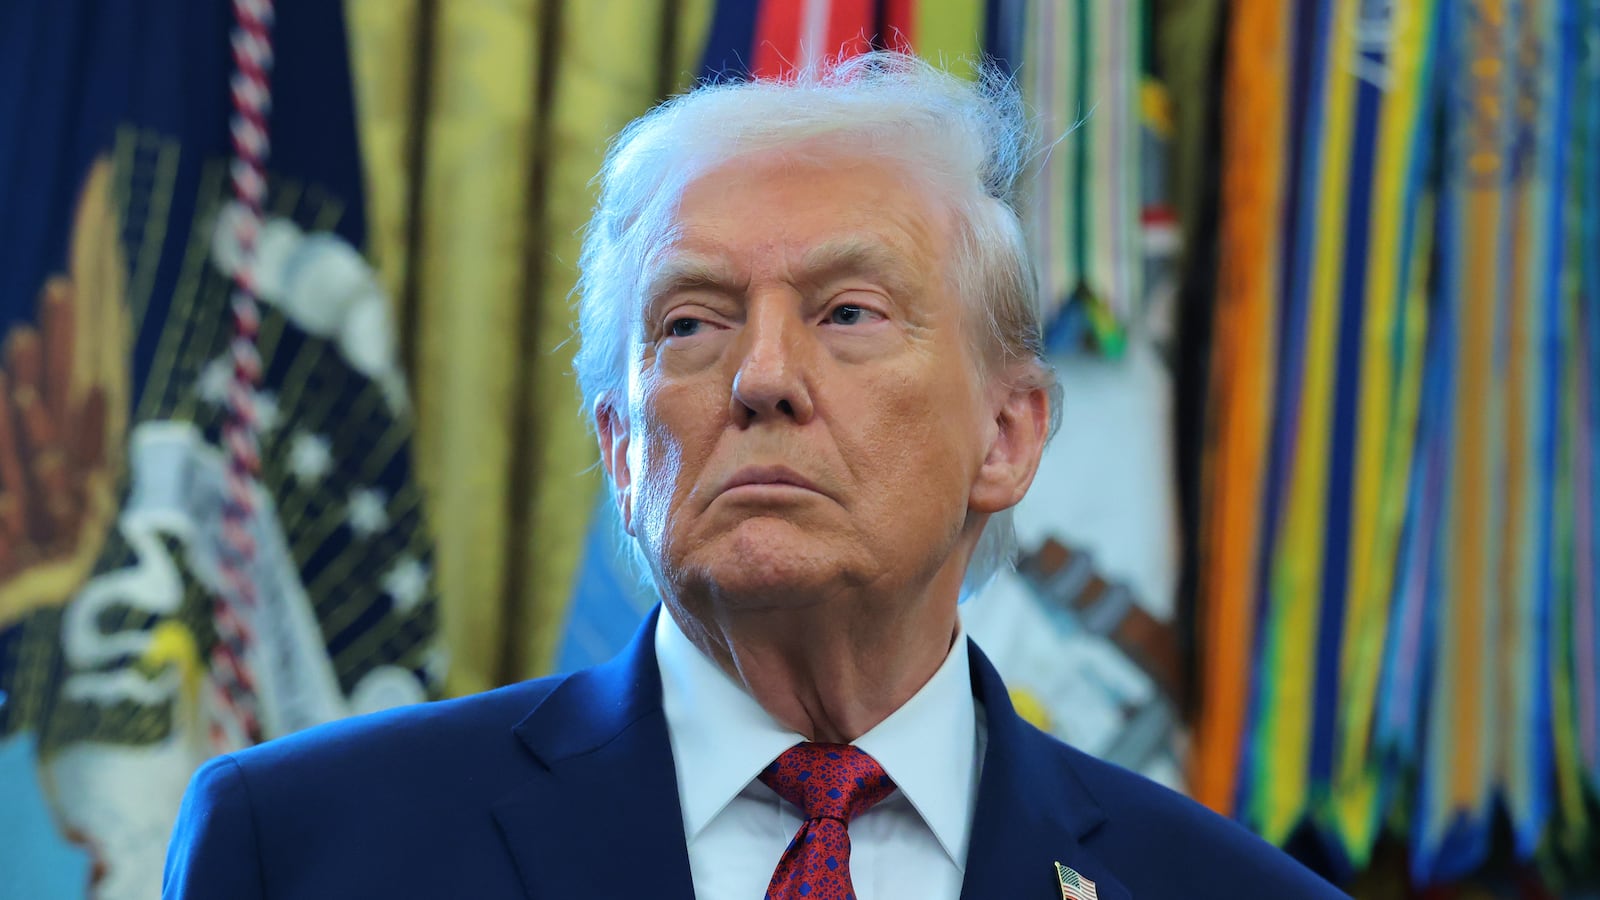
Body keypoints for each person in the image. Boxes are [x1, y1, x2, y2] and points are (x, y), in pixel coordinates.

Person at [163, 52, 1346, 899]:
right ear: (623, 448)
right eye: (690, 324)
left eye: (847, 312)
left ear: (1009, 434)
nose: (762, 377)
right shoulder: (305, 847)